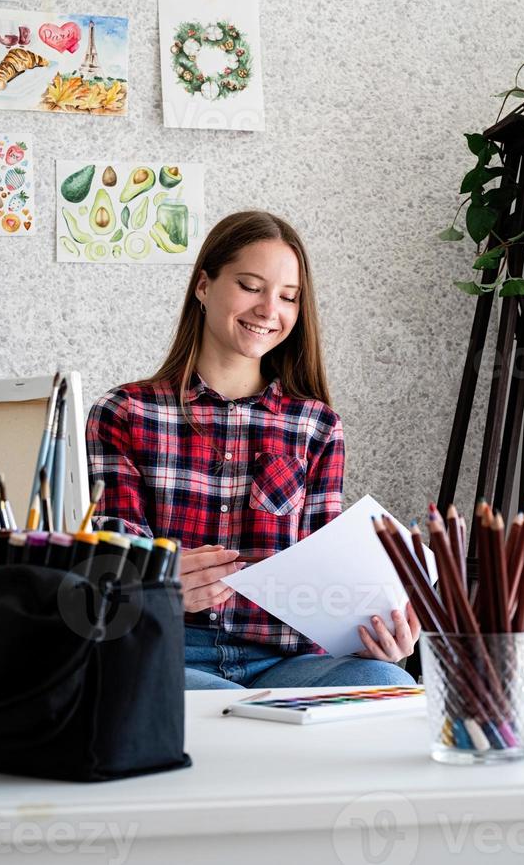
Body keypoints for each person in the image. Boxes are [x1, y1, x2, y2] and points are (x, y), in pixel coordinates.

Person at [86, 209, 420, 689]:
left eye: (288, 297)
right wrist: (158, 584)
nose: (269, 310)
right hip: (167, 650)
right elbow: (113, 564)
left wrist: (378, 636)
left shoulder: (316, 425)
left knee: (389, 683)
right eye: (250, 286)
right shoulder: (125, 412)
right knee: (205, 705)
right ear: (204, 286)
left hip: (287, 661)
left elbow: (328, 577)